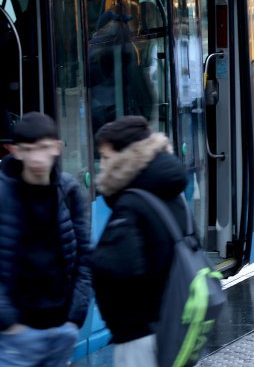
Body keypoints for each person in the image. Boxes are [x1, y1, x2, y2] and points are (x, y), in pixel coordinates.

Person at [90, 116, 189, 365]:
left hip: (139, 333)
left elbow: (116, 268)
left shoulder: (132, 204)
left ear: (125, 157)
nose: (101, 165)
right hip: (173, 322)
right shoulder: (171, 194)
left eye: (105, 157)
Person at [0, 113, 91, 367]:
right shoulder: (3, 193)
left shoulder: (69, 190)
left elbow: (84, 256)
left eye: (43, 148)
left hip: (61, 332)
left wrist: (74, 318)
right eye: (28, 150)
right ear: (15, 151)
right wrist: (8, 321)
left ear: (56, 147)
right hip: (14, 338)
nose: (37, 158)